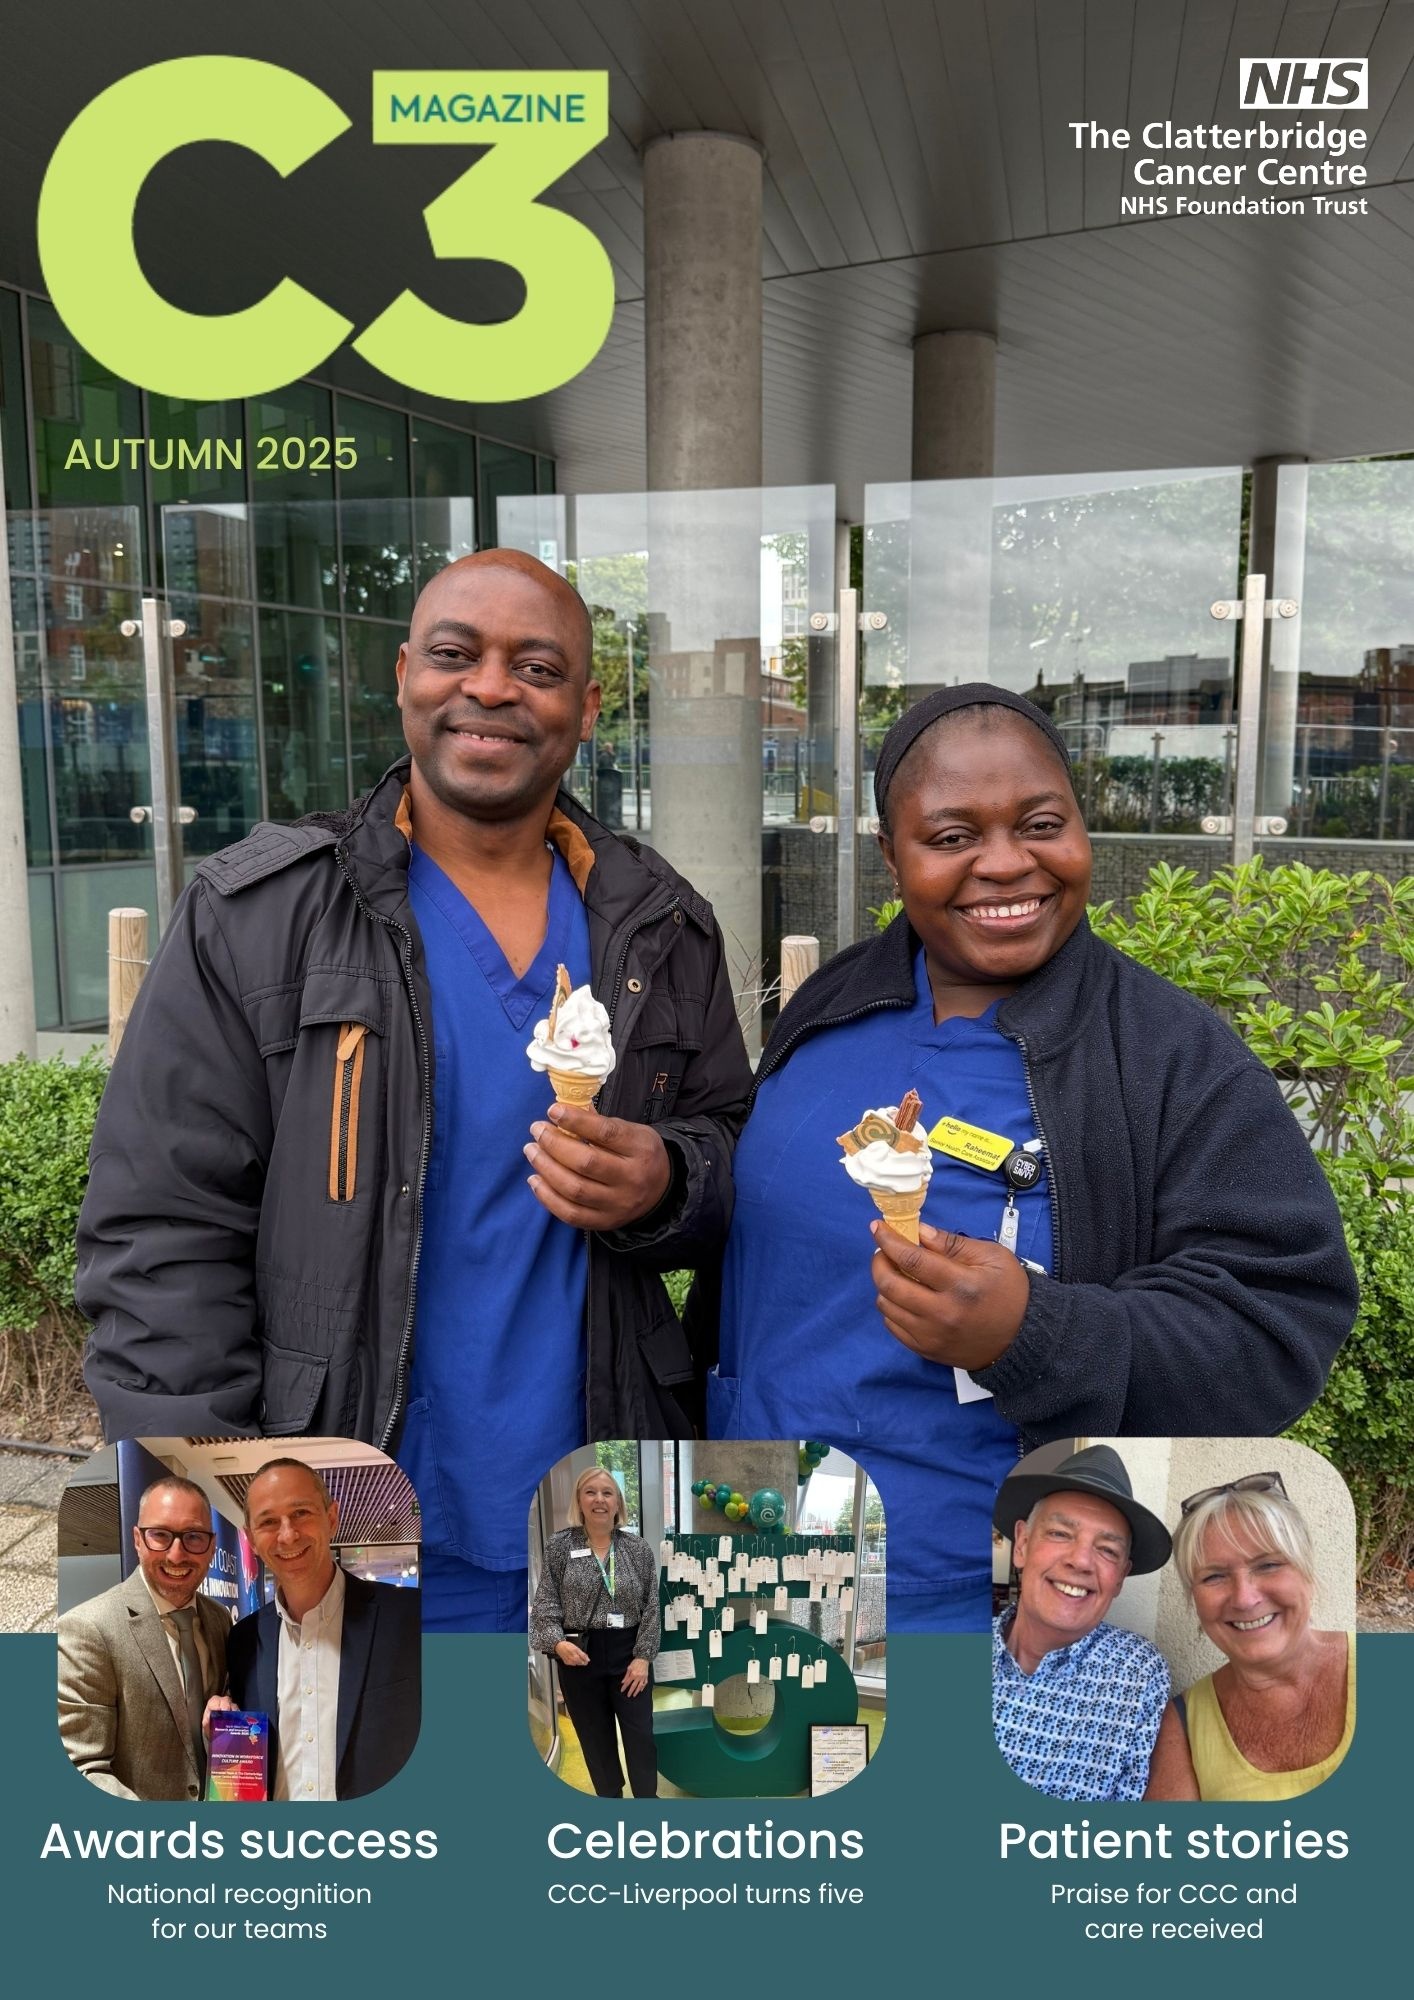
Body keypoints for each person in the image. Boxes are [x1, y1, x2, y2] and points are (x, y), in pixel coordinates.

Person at [77, 549, 753, 1633]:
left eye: (535, 666)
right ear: (403, 676)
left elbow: (734, 1159)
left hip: (587, 1518)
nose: (489, 686)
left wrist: (670, 1177)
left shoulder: (658, 926)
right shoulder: (259, 915)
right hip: (335, 1519)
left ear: (584, 708)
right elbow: (159, 1230)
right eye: (455, 654)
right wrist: (222, 1487)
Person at [705, 685, 1357, 1631]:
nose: (1005, 864)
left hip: (981, 1600)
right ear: (893, 857)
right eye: (952, 836)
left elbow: (1281, 1320)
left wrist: (1039, 1332)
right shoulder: (830, 1009)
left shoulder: (1169, 1057)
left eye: (1041, 823)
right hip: (751, 1551)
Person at [212, 1459, 420, 1801]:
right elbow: (245, 1767)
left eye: (301, 1513)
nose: (288, 1534)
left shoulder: (411, 1617)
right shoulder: (243, 1641)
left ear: (332, 1518)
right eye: (268, 1522)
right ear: (250, 1538)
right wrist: (221, 1734)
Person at [1149, 1472, 1355, 1801]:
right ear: (1195, 1600)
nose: (1244, 1598)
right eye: (1214, 1576)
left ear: (1308, 1574)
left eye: (1268, 1565)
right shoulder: (1183, 1724)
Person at [991, 1446, 1180, 1802]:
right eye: (1061, 1534)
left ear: (1121, 1576)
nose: (1080, 1561)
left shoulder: (1135, 1673)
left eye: (1107, 1550)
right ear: (1023, 1545)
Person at [57, 1475, 228, 1801]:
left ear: (211, 1545)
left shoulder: (219, 1620)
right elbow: (82, 1767)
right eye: (160, 1535)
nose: (177, 1555)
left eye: (193, 1537)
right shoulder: (87, 1629)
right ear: (137, 1539)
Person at [530, 1465, 660, 1799]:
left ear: (618, 1503)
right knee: (594, 1737)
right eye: (590, 1492)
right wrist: (557, 1643)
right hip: (579, 1656)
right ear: (579, 1500)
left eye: (607, 1492)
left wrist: (643, 1658)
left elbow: (652, 1606)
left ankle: (648, 1801)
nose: (599, 1499)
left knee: (640, 1735)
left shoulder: (638, 1548)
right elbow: (545, 1601)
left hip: (628, 1654)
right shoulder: (560, 1545)